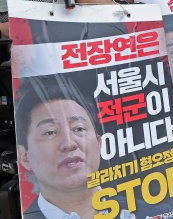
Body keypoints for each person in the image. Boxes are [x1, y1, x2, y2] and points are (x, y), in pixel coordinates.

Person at [16, 76, 108, 218]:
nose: (69, 144)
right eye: (50, 132)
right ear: (24, 157)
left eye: (78, 128)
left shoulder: (148, 211)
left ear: (99, 142)